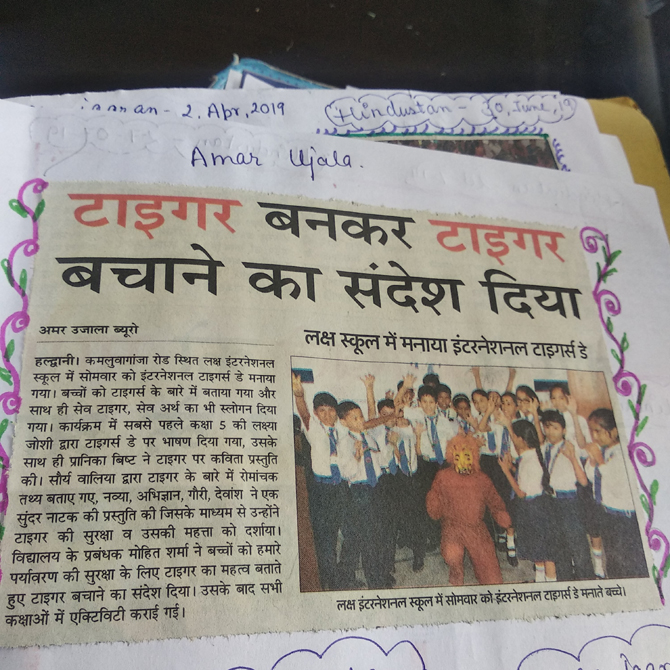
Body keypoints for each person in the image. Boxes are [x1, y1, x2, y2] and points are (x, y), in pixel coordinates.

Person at [426, 434, 511, 585]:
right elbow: (435, 501)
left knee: (493, 578)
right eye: (457, 457)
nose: (463, 462)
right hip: (453, 526)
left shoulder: (482, 479)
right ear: (452, 458)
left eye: (467, 456)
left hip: (476, 527)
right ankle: (456, 572)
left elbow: (494, 500)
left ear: (474, 457)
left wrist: (500, 513)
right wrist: (434, 503)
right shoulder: (443, 477)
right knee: (452, 553)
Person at [292, 374, 350, 590]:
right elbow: (304, 413)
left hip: (340, 488)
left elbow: (364, 424)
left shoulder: (341, 430)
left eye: (331, 410)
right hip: (322, 491)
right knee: (325, 539)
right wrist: (299, 395)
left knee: (344, 534)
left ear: (336, 412)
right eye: (322, 411)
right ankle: (330, 581)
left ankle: (342, 575)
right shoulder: (314, 430)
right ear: (317, 413)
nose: (327, 414)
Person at [583, 409, 648, 579]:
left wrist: (600, 460)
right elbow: (592, 477)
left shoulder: (623, 454)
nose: (594, 436)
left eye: (598, 431)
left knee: (629, 562)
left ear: (614, 431)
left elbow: (617, 486)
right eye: (592, 431)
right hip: (609, 514)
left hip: (624, 519)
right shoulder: (605, 450)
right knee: (613, 560)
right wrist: (593, 459)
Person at [549, 382, 604, 578]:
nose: (557, 401)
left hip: (578, 470)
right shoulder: (552, 419)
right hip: (561, 476)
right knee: (565, 531)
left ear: (568, 398)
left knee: (586, 525)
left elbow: (582, 445)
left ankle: (595, 566)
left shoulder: (577, 418)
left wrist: (573, 415)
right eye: (553, 398)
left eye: (560, 397)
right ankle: (572, 565)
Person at [499, 419, 558, 582]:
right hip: (539, 506)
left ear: (520, 439)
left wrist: (506, 472)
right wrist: (511, 467)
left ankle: (551, 585)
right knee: (538, 549)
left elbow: (521, 493)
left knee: (546, 552)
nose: (512, 440)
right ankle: (539, 581)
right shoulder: (531, 455)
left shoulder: (530, 461)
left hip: (534, 508)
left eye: (513, 437)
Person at [540, 410, 595, 581]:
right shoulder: (545, 447)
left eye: (555, 428)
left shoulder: (570, 447)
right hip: (552, 501)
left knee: (578, 548)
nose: (550, 432)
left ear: (564, 430)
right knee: (559, 546)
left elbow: (583, 481)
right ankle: (565, 581)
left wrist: (572, 458)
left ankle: (587, 583)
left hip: (569, 502)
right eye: (547, 427)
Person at [337, 400, 386, 589]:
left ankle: (379, 574)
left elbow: (381, 461)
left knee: (377, 535)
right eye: (354, 418)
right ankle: (375, 582)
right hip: (360, 491)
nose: (360, 420)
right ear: (344, 422)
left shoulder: (369, 437)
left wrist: (387, 445)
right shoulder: (345, 443)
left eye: (361, 416)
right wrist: (356, 456)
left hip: (376, 488)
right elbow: (346, 473)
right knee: (367, 539)